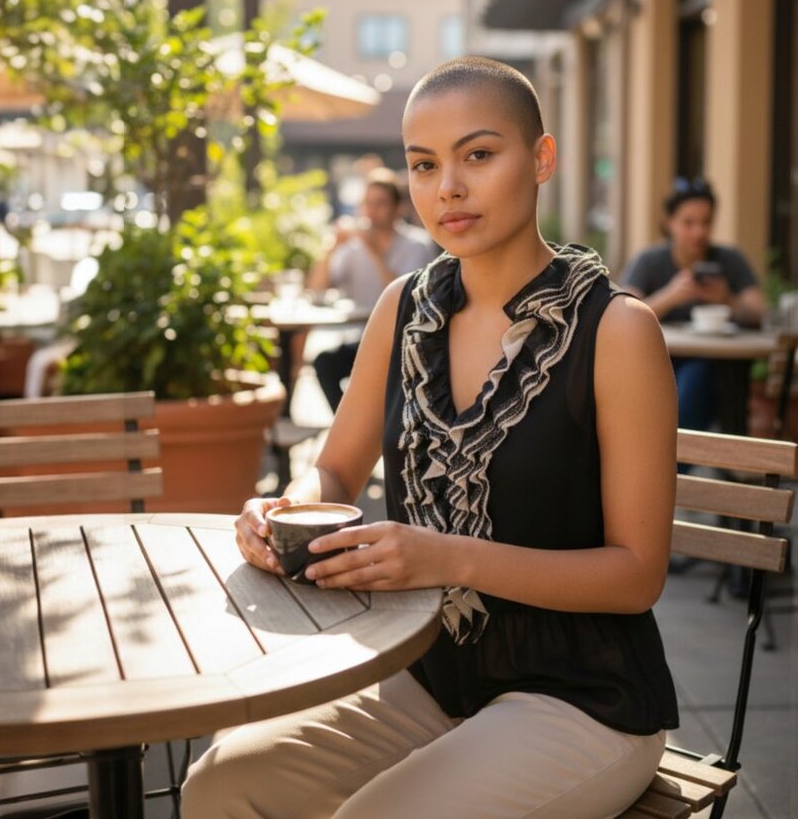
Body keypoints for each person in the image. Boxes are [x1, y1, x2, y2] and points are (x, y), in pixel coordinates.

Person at [182, 57, 679, 819]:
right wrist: (285, 510)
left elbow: (637, 575)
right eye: (424, 164)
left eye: (478, 155)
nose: (447, 186)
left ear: (541, 159)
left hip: (581, 696)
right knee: (220, 783)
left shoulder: (616, 330)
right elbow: (336, 469)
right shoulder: (402, 308)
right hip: (424, 673)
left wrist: (446, 557)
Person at [618, 177, 765, 433]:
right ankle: (701, 463)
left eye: (706, 222)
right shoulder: (650, 261)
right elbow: (621, 315)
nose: (699, 232)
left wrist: (727, 300)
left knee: (708, 376)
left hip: (723, 367)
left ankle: (706, 462)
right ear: (669, 222)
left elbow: (759, 312)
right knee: (694, 379)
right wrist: (671, 295)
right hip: (660, 366)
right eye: (688, 223)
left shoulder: (730, 260)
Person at [309, 168, 437, 411]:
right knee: (325, 364)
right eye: (367, 203)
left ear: (397, 207)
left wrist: (374, 251)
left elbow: (407, 297)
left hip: (404, 342)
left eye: (380, 203)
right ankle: (347, 427)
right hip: (361, 339)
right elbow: (317, 290)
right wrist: (330, 250)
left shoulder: (417, 244)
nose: (371, 211)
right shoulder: (352, 247)